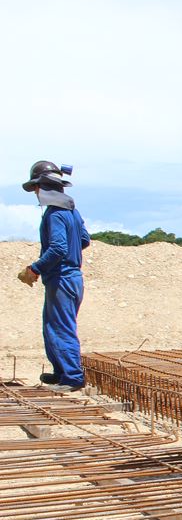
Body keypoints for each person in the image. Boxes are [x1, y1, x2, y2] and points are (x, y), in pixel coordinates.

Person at [18, 161, 90, 393]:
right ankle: (61, 372)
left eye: (37, 189)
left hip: (62, 278)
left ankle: (72, 378)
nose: (36, 194)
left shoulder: (55, 214)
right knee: (53, 326)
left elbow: (58, 248)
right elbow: (84, 240)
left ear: (43, 187)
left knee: (61, 328)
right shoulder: (72, 212)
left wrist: (35, 268)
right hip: (70, 278)